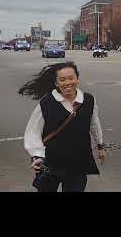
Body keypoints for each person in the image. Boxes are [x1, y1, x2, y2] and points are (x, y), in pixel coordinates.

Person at [19, 62, 105, 192]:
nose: (67, 83)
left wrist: (100, 146)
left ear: (77, 79)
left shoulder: (88, 100)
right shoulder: (46, 103)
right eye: (62, 79)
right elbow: (33, 132)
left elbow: (94, 124)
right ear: (56, 83)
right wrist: (37, 155)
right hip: (50, 164)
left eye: (71, 78)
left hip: (78, 163)